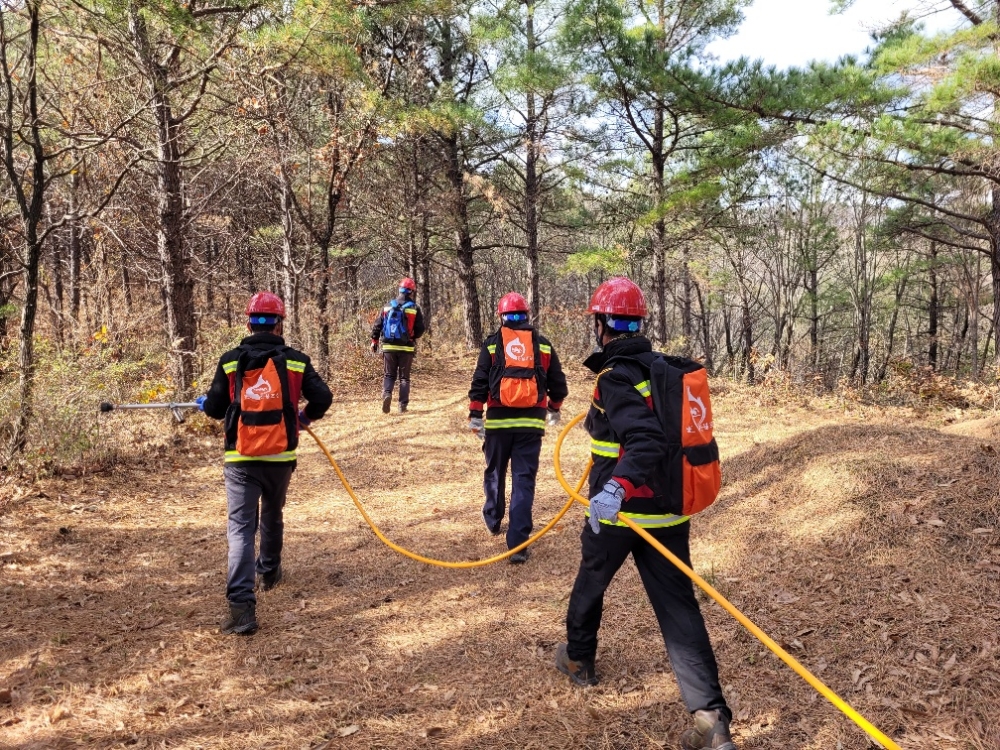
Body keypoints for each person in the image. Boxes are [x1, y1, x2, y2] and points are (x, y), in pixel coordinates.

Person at [554, 277, 736, 750]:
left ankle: (578, 659)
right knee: (679, 610)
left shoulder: (615, 377)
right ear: (639, 325)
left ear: (602, 324)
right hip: (669, 513)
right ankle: (711, 719)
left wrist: (615, 489)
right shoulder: (662, 370)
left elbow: (647, 440)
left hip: (620, 514)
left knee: (591, 580)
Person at [198, 292, 332, 635]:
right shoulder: (296, 361)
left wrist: (205, 404)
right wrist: (303, 418)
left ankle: (241, 609)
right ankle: (269, 572)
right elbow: (323, 397)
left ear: (248, 323)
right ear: (279, 324)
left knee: (241, 528)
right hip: (280, 456)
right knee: (273, 513)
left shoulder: (230, 361)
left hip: (240, 459)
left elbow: (215, 408)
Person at [467, 292, 568, 564]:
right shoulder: (542, 345)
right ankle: (518, 545)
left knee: (495, 471)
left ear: (501, 316)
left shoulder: (492, 344)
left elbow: (480, 381)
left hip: (498, 422)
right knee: (523, 480)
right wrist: (554, 408)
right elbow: (559, 384)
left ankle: (493, 519)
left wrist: (475, 414)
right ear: (527, 315)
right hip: (531, 424)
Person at [370, 277, 426, 414]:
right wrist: (412, 337)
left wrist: (374, 341)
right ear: (411, 291)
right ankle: (402, 406)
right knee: (404, 378)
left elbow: (377, 325)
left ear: (399, 289)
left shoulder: (387, 306)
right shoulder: (414, 308)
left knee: (389, 375)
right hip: (407, 347)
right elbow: (420, 329)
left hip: (388, 347)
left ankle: (387, 394)